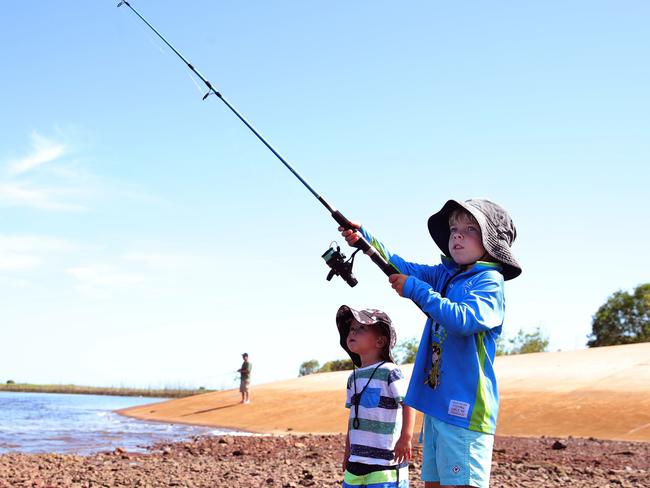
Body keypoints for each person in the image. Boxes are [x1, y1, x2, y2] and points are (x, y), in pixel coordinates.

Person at [340, 199, 522, 488]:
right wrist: (366, 241)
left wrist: (419, 291)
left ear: (491, 241)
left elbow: (464, 319)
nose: (457, 235)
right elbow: (401, 267)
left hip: (464, 414)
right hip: (437, 411)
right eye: (453, 229)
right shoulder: (445, 276)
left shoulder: (489, 281)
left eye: (470, 228)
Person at [337, 305, 415, 488]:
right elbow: (353, 418)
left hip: (386, 463)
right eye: (351, 328)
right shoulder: (353, 377)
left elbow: (408, 403)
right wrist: (348, 452)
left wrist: (406, 438)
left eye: (361, 328)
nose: (352, 332)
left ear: (380, 341)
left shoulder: (390, 371)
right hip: (356, 462)